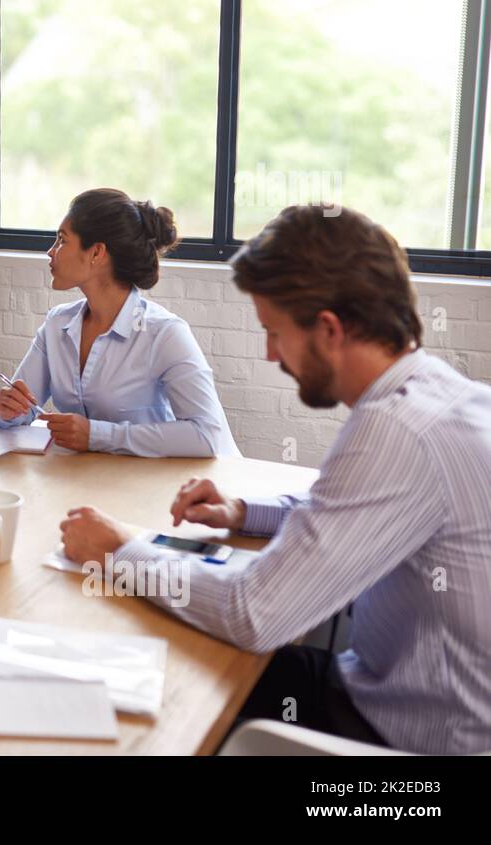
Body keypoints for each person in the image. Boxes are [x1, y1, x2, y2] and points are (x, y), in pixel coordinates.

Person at [59, 205, 491, 754]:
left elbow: (253, 614)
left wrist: (119, 549)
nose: (269, 353)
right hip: (390, 693)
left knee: (163, 685)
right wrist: (243, 512)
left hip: (402, 744)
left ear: (330, 330)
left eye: (273, 332)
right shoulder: (440, 392)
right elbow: (350, 507)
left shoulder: (394, 428)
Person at [0, 188, 238, 457]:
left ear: (96, 253)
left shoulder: (164, 333)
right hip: (90, 480)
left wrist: (96, 435)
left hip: (160, 486)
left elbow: (207, 435)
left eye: (62, 240)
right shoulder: (56, 325)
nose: (50, 252)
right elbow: (20, 410)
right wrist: (6, 411)